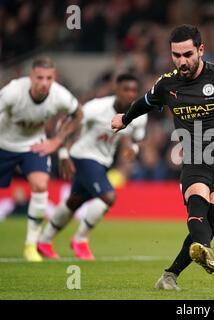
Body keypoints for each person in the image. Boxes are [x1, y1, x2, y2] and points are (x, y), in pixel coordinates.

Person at [111, 25, 214, 290]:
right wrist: (125, 119)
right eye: (176, 55)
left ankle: (172, 273)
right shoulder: (167, 84)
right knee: (197, 204)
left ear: (201, 50)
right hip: (196, 157)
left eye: (187, 54)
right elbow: (145, 102)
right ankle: (198, 253)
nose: (182, 61)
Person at [38, 74, 147, 260]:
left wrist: (133, 149)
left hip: (104, 162)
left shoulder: (138, 115)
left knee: (74, 201)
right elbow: (66, 123)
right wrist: (63, 153)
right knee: (108, 197)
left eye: (133, 91)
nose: (130, 94)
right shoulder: (97, 108)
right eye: (125, 89)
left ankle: (44, 240)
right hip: (83, 156)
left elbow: (138, 138)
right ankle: (80, 239)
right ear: (116, 90)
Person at [0, 57, 82, 262]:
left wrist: (57, 142)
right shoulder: (12, 92)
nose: (44, 83)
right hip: (3, 143)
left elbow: (78, 114)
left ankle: (30, 245)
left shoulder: (60, 95)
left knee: (40, 184)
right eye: (39, 78)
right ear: (31, 77)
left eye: (49, 78)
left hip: (33, 145)